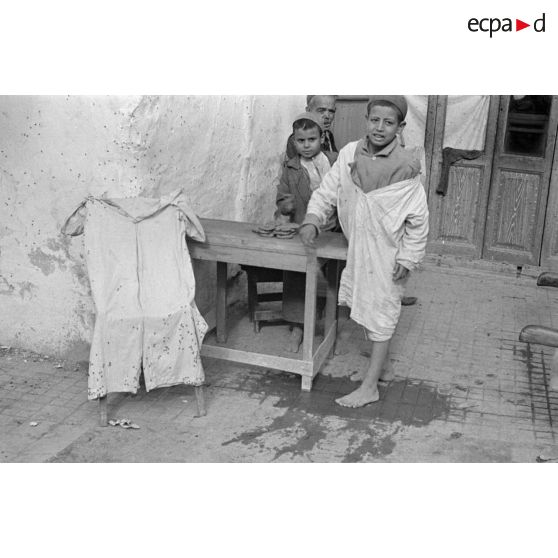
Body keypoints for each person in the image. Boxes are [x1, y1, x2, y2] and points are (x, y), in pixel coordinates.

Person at [298, 95, 429, 408]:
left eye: (388, 122)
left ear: (401, 126)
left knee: (381, 312)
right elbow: (327, 191)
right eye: (374, 120)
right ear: (366, 120)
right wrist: (312, 220)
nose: (380, 128)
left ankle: (370, 386)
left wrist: (408, 257)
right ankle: (375, 370)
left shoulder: (407, 165)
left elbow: (418, 220)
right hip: (358, 245)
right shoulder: (349, 154)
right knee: (365, 307)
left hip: (387, 251)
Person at [276, 112, 338, 352]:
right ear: (294, 142)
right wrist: (285, 205)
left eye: (312, 139)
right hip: (302, 228)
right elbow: (281, 197)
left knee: (329, 276)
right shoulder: (290, 168)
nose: (307, 145)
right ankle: (298, 325)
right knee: (295, 275)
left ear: (321, 138)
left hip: (331, 228)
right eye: (301, 141)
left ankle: (327, 321)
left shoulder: (334, 161)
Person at [286, 95, 337, 160]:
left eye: (331, 111)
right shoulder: (297, 140)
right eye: (321, 110)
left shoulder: (328, 135)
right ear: (308, 110)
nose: (327, 116)